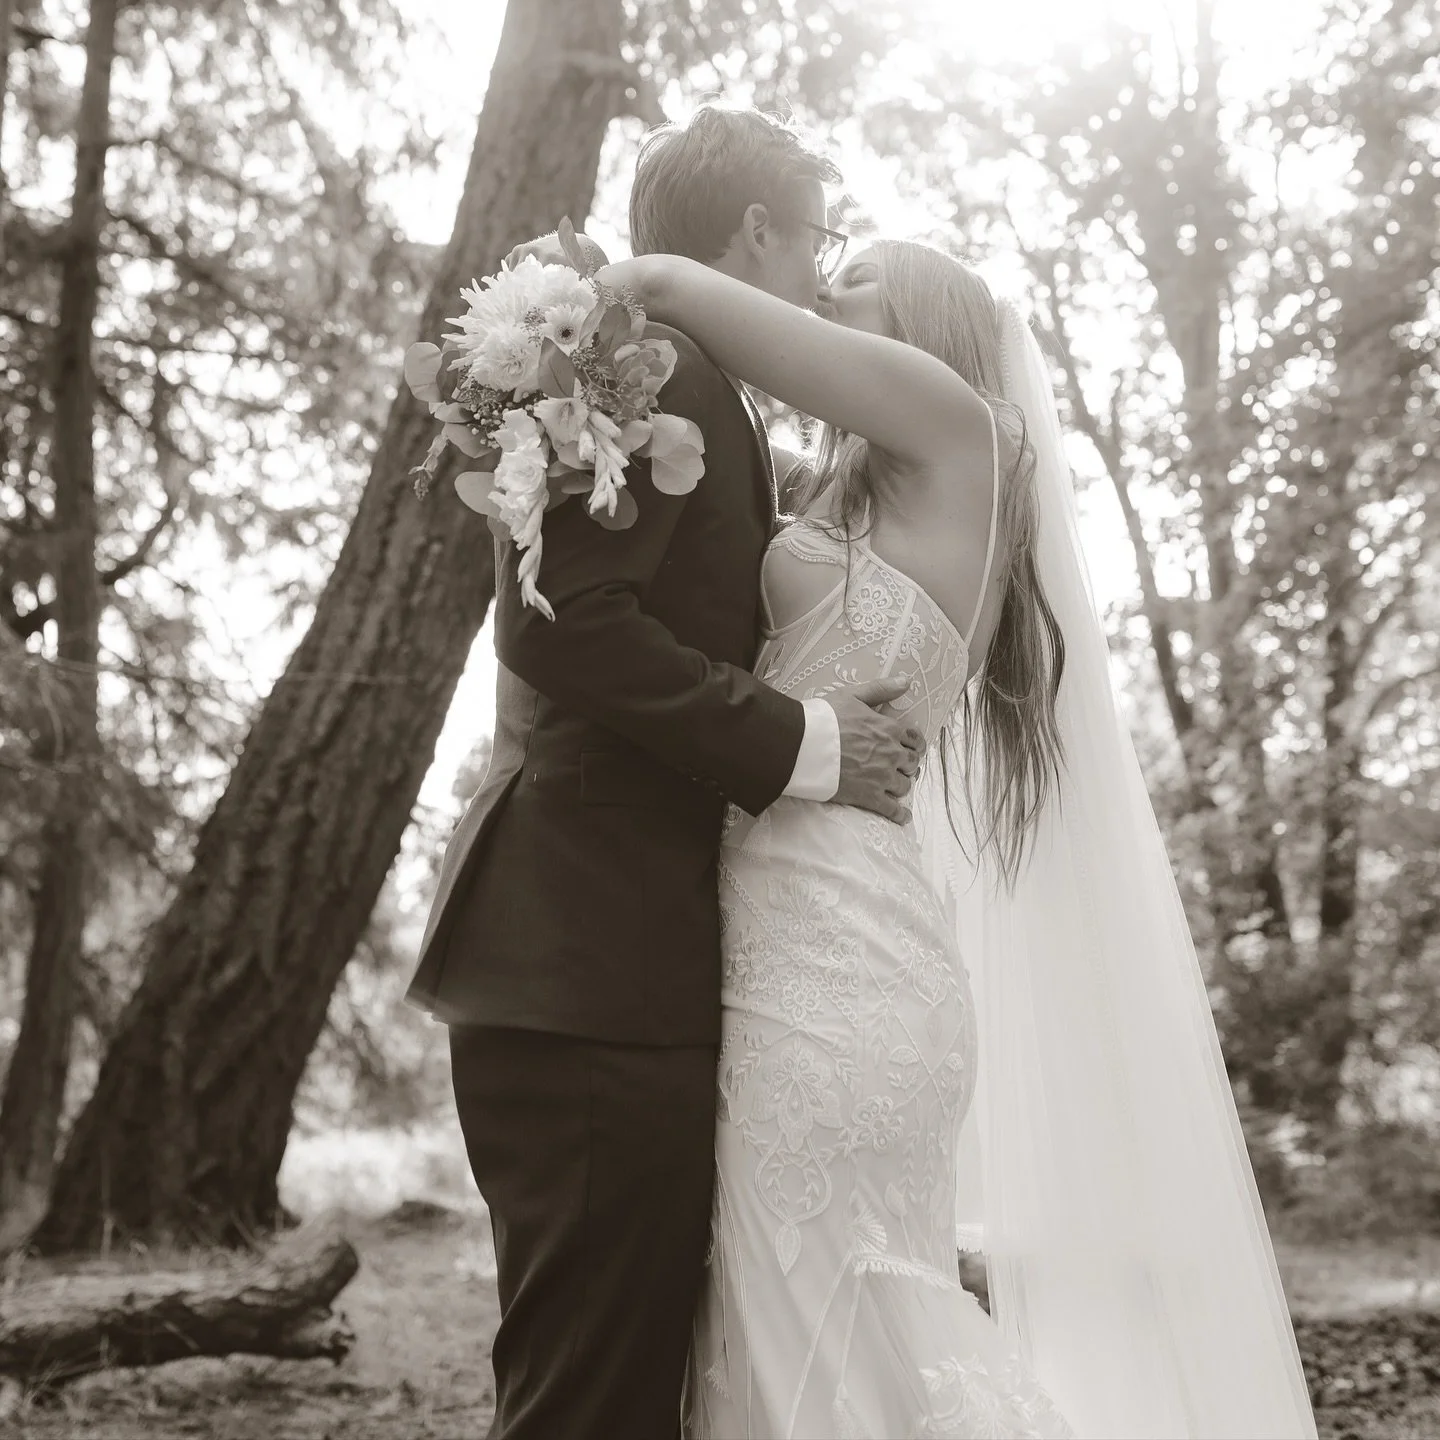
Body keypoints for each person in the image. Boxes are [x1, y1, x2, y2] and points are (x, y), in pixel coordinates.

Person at [595, 227, 1319, 1439]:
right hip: (784, 940)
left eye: (854, 278)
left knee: (812, 1336)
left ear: (928, 318)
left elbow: (668, 287)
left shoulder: (960, 422)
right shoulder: (848, 487)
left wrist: (565, 312)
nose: (822, 289)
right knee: (793, 1339)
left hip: (843, 972)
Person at [405, 106, 926, 1440]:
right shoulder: (678, 371)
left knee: (616, 1393)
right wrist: (806, 748)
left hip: (607, 970)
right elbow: (564, 624)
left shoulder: (688, 379)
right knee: (588, 1404)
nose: (819, 273)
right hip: (586, 973)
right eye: (815, 237)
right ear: (756, 228)